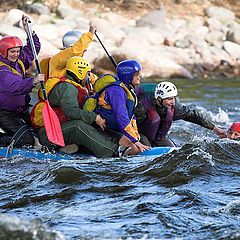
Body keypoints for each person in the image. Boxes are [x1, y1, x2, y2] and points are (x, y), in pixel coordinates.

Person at [31, 56, 134, 158]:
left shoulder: (76, 86)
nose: (89, 76)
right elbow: (71, 112)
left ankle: (121, 144)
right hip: (49, 133)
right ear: (80, 72)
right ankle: (114, 151)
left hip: (61, 129)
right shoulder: (67, 88)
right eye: (87, 73)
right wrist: (95, 118)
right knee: (78, 126)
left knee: (89, 124)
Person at [87, 59, 151, 154]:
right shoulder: (116, 91)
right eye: (136, 74)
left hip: (114, 129)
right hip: (102, 129)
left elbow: (131, 117)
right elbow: (121, 116)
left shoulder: (128, 89)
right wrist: (135, 141)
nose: (139, 76)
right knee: (135, 148)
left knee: (138, 144)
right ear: (128, 76)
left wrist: (135, 137)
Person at [135, 81, 227, 147]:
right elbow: (128, 124)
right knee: (145, 148)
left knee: (172, 150)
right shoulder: (142, 107)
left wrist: (215, 128)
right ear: (159, 99)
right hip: (139, 133)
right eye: (169, 99)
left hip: (157, 136)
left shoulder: (175, 107)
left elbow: (192, 116)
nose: (173, 102)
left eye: (174, 98)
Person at [0, 15, 44, 148]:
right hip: (4, 113)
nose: (16, 54)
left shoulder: (18, 61)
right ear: (3, 52)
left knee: (39, 130)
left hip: (20, 111)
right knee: (26, 140)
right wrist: (33, 81)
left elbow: (33, 48)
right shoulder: (2, 70)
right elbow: (14, 86)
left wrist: (29, 31)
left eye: (18, 51)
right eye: (12, 52)